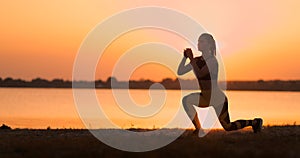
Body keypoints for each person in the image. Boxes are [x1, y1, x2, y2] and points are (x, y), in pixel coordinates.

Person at [177, 33, 263, 135]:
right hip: (205, 97)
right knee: (186, 100)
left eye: (202, 41)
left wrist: (191, 59)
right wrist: (185, 58)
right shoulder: (197, 60)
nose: (199, 43)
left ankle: (255, 122)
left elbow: (200, 73)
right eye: (198, 41)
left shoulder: (212, 61)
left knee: (228, 126)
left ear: (209, 45)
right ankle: (198, 129)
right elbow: (180, 71)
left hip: (217, 98)